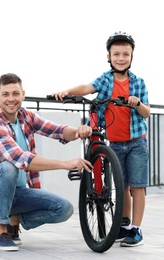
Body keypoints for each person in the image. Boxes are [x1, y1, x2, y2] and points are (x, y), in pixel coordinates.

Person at [0, 73, 93, 251]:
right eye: (5, 94)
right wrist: (65, 164)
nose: (11, 99)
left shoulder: (25, 116)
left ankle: (14, 221)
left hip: (19, 193)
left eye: (15, 93)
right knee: (8, 167)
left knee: (64, 209)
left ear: (23, 95)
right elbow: (21, 159)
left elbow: (56, 130)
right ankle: (0, 232)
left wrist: (78, 131)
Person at [52, 31, 150, 247]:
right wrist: (66, 91)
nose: (121, 58)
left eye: (126, 54)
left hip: (136, 142)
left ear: (132, 57)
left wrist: (137, 104)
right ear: (109, 57)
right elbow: (87, 88)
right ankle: (123, 226)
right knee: (122, 186)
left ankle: (136, 228)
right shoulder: (106, 80)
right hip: (114, 143)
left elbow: (146, 113)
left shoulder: (139, 83)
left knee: (137, 187)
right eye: (116, 54)